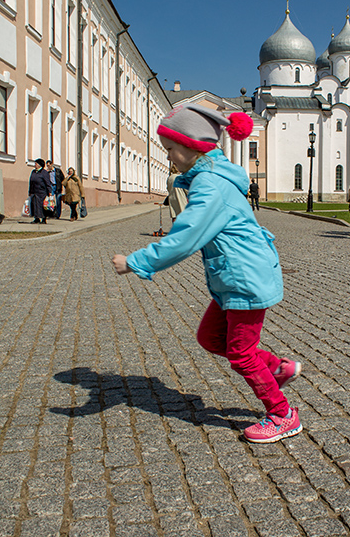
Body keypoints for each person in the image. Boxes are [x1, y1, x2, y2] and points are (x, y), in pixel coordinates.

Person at [112, 103, 302, 444]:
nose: (168, 157)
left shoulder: (211, 185)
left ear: (191, 146)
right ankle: (277, 367)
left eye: (170, 149)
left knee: (242, 353)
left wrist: (138, 261)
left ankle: (282, 414)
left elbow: (187, 235)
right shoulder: (207, 177)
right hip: (233, 278)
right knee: (211, 338)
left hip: (245, 279)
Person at [28, 159, 52, 224]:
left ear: (40, 165)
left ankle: (44, 219)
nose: (35, 165)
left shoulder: (44, 172)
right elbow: (31, 181)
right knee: (34, 206)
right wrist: (30, 191)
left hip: (42, 192)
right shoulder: (33, 172)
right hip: (34, 192)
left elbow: (47, 182)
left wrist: (49, 191)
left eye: (36, 163)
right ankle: (36, 218)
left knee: (42, 206)